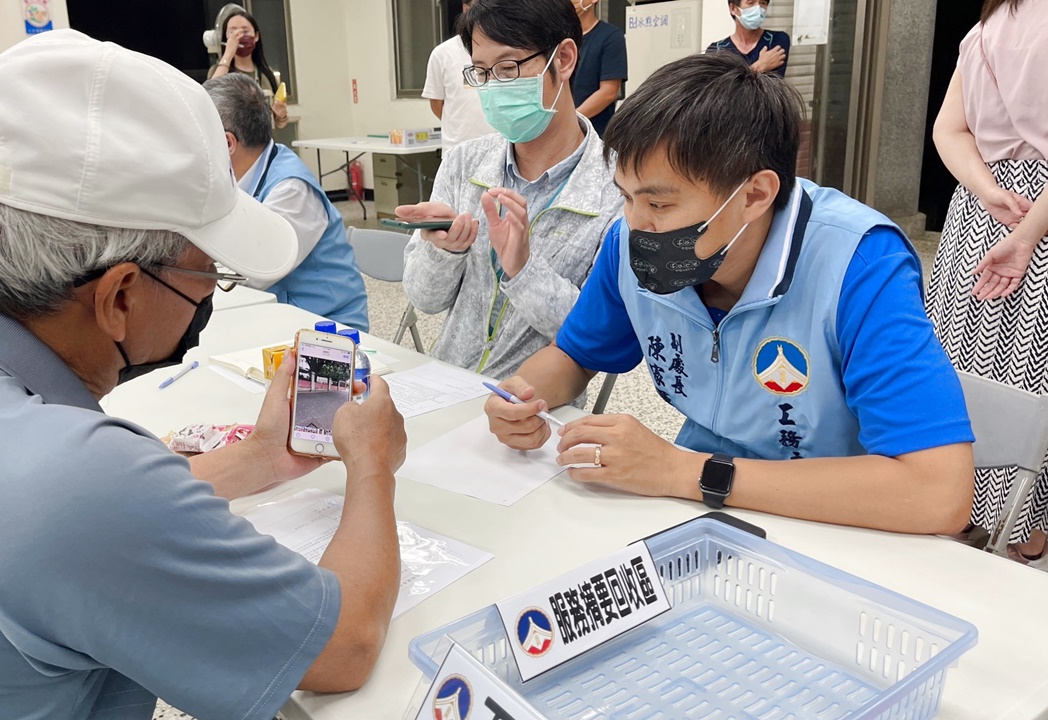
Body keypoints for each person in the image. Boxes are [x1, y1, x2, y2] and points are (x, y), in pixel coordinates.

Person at [0, 29, 407, 719]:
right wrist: (371, 463)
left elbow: (49, 525)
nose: (207, 299)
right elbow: (342, 647)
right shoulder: (71, 480)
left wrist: (258, 459)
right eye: (208, 274)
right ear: (120, 296)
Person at [484, 53, 975, 535]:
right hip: (697, 514)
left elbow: (937, 491)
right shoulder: (629, 244)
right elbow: (574, 354)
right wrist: (523, 395)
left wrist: (684, 471)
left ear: (755, 195)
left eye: (658, 202)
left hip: (839, 519)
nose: (635, 223)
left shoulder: (859, 265)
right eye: (626, 196)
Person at [398, 0, 624, 381]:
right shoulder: (465, 164)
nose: (494, 88)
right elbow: (424, 299)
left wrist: (522, 269)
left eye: (508, 68)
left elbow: (600, 336)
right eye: (482, 73)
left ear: (564, 59)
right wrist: (444, 251)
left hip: (535, 409)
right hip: (445, 384)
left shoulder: (615, 188)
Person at [926, 0, 1048, 562]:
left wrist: (986, 188)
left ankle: (953, 499)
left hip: (979, 215)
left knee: (961, 359)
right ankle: (1025, 527)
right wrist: (1027, 236)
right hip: (1036, 217)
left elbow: (948, 129)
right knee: (1029, 375)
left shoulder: (982, 31)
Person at [205, 73, 370, 332]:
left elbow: (253, 273)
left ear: (227, 143)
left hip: (323, 330)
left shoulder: (291, 189)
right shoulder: (244, 173)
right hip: (274, 316)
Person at [423, 1, 496, 153]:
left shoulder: (503, 48)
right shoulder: (442, 53)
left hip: (498, 147)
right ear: (465, 9)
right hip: (457, 148)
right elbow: (436, 103)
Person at [208, 8, 288, 129]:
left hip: (264, 142)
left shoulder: (268, 74)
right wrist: (228, 54)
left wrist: (282, 116)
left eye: (245, 31)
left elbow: (279, 124)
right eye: (233, 32)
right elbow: (209, 95)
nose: (239, 36)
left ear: (256, 36)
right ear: (226, 38)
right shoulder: (218, 71)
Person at [569, 0, 626, 138]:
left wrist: (572, 120)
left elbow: (609, 92)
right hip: (562, 132)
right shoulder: (559, 39)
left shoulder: (611, 36)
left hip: (596, 132)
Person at [705, 0, 789, 77]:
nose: (758, 8)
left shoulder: (777, 40)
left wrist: (735, 77)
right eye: (751, 3)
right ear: (733, 8)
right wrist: (760, 66)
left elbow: (772, 86)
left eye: (762, 3)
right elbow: (719, 89)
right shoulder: (716, 50)